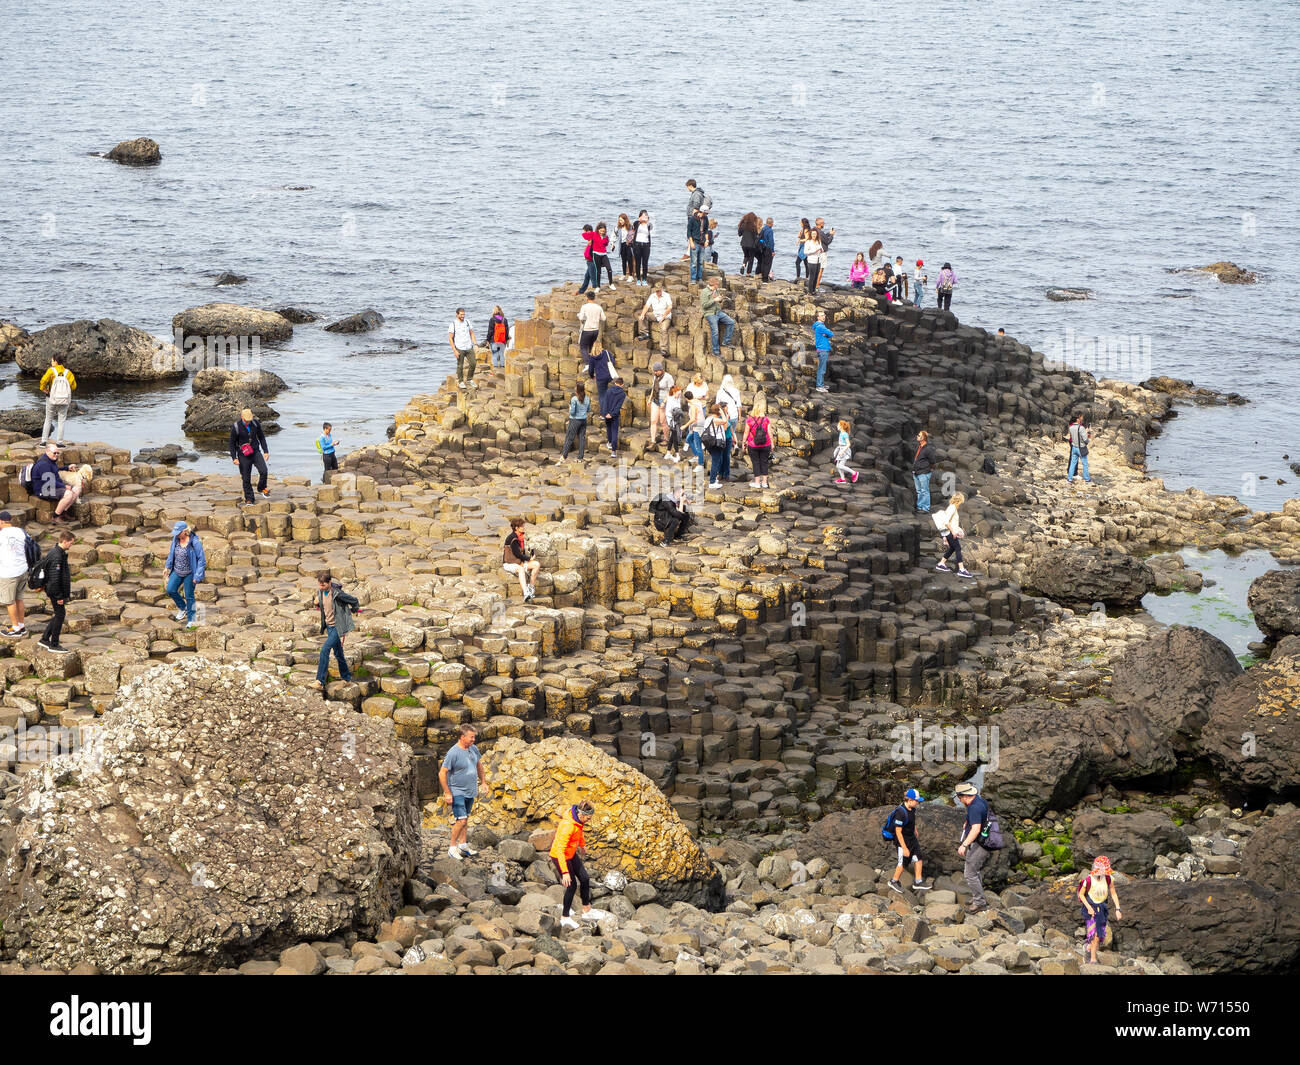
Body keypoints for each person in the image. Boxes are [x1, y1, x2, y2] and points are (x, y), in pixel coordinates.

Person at [441, 724, 488, 862]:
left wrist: (484, 782)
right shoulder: (453, 753)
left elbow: (479, 766)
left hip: (470, 791)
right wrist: (447, 792)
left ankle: (463, 845)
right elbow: (442, 773)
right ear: (462, 737)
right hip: (457, 791)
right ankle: (452, 847)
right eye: (471, 737)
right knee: (461, 820)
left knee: (465, 818)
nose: (474, 740)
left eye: (474, 737)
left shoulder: (473, 748)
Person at [549, 800, 596, 926]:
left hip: (570, 853)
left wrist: (582, 845)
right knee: (572, 885)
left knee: (585, 878)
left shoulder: (578, 821)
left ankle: (586, 909)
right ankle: (565, 917)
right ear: (581, 815)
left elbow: (579, 832)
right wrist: (565, 872)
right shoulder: (568, 826)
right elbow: (560, 850)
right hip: (560, 856)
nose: (589, 820)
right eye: (588, 818)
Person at [314, 568, 359, 688]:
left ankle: (320, 681)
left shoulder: (337, 594)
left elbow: (354, 600)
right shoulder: (320, 592)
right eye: (320, 584)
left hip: (337, 627)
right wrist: (317, 603)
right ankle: (346, 678)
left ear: (329, 583)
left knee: (324, 650)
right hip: (329, 627)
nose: (322, 587)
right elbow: (322, 605)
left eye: (324, 585)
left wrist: (354, 610)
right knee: (338, 653)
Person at [35, 529, 74, 651]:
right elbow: (55, 578)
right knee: (60, 615)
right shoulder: (57, 556)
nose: (71, 545)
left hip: (53, 590)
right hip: (55, 591)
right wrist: (59, 597)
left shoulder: (57, 552)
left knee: (58, 614)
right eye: (71, 543)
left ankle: (45, 639)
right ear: (65, 541)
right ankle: (54, 644)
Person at [1077, 857, 1122, 964]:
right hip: (1090, 907)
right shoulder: (1088, 880)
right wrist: (1089, 908)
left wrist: (1118, 909)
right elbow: (1081, 895)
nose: (1104, 873)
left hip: (1102, 908)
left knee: (1100, 934)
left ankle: (1088, 948)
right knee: (1095, 935)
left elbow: (1113, 893)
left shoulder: (1108, 879)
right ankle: (1093, 959)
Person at [887, 788, 932, 894]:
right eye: (916, 801)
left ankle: (918, 881)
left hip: (912, 838)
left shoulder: (912, 809)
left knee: (919, 857)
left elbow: (912, 820)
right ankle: (894, 881)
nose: (918, 803)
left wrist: (915, 829)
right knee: (903, 862)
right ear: (910, 800)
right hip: (903, 841)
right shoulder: (900, 812)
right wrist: (904, 848)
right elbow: (898, 832)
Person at [955, 781, 991, 913]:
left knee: (969, 873)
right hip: (984, 839)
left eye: (959, 798)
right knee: (974, 871)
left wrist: (964, 845)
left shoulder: (974, 808)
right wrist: (968, 820)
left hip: (981, 843)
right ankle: (978, 897)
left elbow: (976, 829)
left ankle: (980, 903)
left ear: (964, 796)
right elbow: (982, 818)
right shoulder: (979, 800)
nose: (959, 800)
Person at [164, 520, 207, 629]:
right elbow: (171, 554)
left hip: (190, 573)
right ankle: (183, 608)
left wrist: (197, 576)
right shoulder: (175, 539)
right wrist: (167, 567)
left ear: (185, 531)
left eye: (178, 532)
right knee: (170, 589)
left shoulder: (194, 542)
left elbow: (202, 560)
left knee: (189, 596)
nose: (176, 535)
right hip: (177, 571)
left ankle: (191, 620)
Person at [229, 408, 270, 504]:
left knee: (264, 471)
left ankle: (261, 488)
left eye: (249, 420)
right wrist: (234, 458)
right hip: (243, 455)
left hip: (255, 452)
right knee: (246, 478)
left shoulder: (255, 423)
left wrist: (266, 451)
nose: (248, 421)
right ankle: (249, 498)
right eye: (246, 420)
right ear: (242, 417)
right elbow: (231, 443)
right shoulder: (236, 427)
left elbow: (261, 437)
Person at [0, 512, 30, 638]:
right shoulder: (21, 532)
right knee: (19, 598)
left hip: (8, 572)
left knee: (9, 601)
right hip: (23, 569)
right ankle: (21, 625)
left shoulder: (1, 535)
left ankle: (15, 628)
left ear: (1, 521)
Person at [934, 492, 973, 577]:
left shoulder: (952, 508)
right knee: (958, 548)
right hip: (950, 533)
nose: (961, 503)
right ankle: (961, 570)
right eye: (961, 501)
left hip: (949, 532)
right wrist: (953, 532)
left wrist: (957, 530)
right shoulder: (952, 508)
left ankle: (941, 564)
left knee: (952, 548)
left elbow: (951, 522)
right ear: (958, 500)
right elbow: (946, 522)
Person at [40, 355, 76, 447]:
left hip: (51, 398)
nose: (51, 363)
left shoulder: (51, 371)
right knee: (61, 421)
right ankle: (59, 443)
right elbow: (74, 386)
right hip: (64, 399)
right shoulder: (68, 373)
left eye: (52, 361)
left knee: (48, 419)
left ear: (56, 361)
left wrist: (44, 389)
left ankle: (43, 442)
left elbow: (43, 381)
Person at [503, 516, 541, 601]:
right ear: (516, 528)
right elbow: (517, 554)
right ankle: (525, 593)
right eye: (522, 526)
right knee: (521, 569)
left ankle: (531, 587)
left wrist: (527, 559)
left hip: (519, 561)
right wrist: (529, 559)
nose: (524, 528)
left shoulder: (520, 537)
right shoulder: (512, 538)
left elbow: (521, 553)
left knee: (536, 564)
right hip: (509, 563)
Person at [744, 392, 773, 489]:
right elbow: (770, 433)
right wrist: (772, 444)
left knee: (756, 463)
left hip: (753, 445)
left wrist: (744, 443)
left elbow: (746, 433)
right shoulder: (766, 420)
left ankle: (757, 482)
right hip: (766, 444)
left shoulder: (749, 420)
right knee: (764, 462)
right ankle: (764, 482)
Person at [701, 277, 736, 356]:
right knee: (715, 331)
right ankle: (715, 351)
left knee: (731, 322)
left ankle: (726, 341)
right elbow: (704, 305)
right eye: (717, 284)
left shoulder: (715, 290)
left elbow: (717, 300)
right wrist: (714, 300)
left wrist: (720, 299)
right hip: (710, 313)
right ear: (714, 285)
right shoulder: (704, 292)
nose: (718, 285)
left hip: (718, 312)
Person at [558, 381, 591, 462]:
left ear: (577, 389)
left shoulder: (574, 399)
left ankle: (563, 457)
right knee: (582, 438)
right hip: (583, 420)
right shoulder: (587, 398)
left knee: (569, 438)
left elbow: (572, 412)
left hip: (575, 420)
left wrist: (570, 408)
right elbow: (588, 409)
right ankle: (580, 457)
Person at [638, 282, 673, 355]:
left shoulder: (667, 296)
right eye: (656, 291)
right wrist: (642, 314)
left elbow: (670, 307)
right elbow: (647, 306)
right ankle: (645, 333)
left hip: (665, 317)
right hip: (655, 314)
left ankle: (664, 349)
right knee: (643, 317)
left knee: (663, 329)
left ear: (662, 289)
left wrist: (663, 317)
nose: (657, 292)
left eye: (659, 291)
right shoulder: (652, 296)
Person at [448, 307, 479, 389]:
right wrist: (454, 350)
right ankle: (461, 381)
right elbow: (450, 338)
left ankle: (469, 379)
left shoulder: (467, 322)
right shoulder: (453, 324)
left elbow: (472, 333)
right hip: (459, 347)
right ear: (457, 314)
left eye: (464, 314)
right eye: (461, 314)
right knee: (460, 366)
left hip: (469, 346)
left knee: (473, 363)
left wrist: (475, 344)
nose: (463, 316)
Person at [647, 362, 674, 451]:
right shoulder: (655, 377)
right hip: (655, 400)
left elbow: (671, 391)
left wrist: (664, 402)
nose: (655, 373)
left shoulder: (668, 377)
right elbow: (653, 388)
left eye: (657, 371)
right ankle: (653, 440)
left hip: (664, 401)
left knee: (663, 421)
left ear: (661, 370)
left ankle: (666, 438)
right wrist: (650, 399)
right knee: (653, 420)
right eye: (654, 371)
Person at [703, 404, 730, 487]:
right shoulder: (714, 419)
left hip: (711, 443)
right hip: (715, 444)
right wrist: (723, 413)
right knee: (715, 462)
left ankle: (713, 479)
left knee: (716, 461)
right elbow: (725, 421)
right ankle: (712, 482)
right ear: (718, 411)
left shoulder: (709, 418)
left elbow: (724, 428)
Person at [716, 373, 742, 457]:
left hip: (724, 415)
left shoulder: (720, 391)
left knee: (722, 431)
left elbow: (717, 404)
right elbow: (739, 405)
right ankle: (735, 446)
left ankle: (724, 448)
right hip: (734, 415)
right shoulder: (736, 391)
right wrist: (739, 416)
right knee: (732, 431)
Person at [583, 345, 617, 409]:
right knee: (606, 391)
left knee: (602, 396)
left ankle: (603, 414)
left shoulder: (592, 357)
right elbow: (613, 362)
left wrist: (592, 376)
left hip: (600, 378)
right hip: (609, 376)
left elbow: (590, 370)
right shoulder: (606, 352)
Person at [601, 374, 627, 455]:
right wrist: (612, 414)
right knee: (614, 431)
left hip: (607, 414)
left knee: (609, 429)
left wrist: (605, 413)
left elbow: (605, 403)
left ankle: (609, 443)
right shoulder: (622, 394)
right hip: (614, 415)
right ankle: (613, 451)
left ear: (615, 383)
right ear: (622, 385)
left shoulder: (608, 390)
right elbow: (618, 406)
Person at [577, 292, 605, 362]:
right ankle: (592, 362)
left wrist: (579, 315)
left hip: (586, 330)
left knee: (583, 347)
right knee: (591, 346)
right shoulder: (599, 307)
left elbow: (581, 318)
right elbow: (604, 318)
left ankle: (587, 363)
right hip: (595, 330)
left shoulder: (584, 307)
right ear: (594, 298)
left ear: (587, 298)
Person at [1066, 412, 1092, 486]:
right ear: (1078, 419)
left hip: (1074, 447)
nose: (1082, 419)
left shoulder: (1071, 427)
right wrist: (1088, 437)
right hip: (1081, 448)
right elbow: (1085, 440)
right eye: (1081, 417)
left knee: (1072, 463)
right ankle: (1087, 479)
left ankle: (1069, 479)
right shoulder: (1081, 428)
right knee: (1085, 464)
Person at [913, 430, 935, 513]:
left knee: (924, 491)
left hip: (924, 473)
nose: (917, 436)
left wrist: (928, 470)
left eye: (919, 435)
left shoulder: (928, 449)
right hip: (916, 472)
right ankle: (920, 506)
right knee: (919, 491)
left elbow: (932, 461)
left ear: (923, 438)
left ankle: (925, 508)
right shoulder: (919, 447)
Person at [684, 392, 707, 469]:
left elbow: (693, 419)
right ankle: (697, 455)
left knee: (698, 446)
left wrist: (685, 426)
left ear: (686, 399)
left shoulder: (693, 406)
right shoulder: (697, 401)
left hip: (698, 426)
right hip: (697, 425)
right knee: (689, 439)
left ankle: (700, 464)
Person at [631, 209, 653, 285]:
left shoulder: (649, 225)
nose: (644, 217)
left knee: (645, 263)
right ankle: (638, 279)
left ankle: (644, 279)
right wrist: (640, 219)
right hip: (637, 245)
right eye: (642, 215)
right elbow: (634, 226)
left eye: (645, 215)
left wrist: (646, 220)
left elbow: (651, 227)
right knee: (638, 263)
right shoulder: (637, 223)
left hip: (646, 244)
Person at [486, 306, 510, 374]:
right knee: (502, 354)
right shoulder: (504, 319)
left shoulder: (492, 319)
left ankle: (495, 370)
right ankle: (502, 369)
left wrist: (487, 339)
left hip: (494, 340)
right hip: (502, 340)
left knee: (495, 355)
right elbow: (506, 331)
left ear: (494, 311)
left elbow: (490, 331)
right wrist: (506, 339)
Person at [813, 311, 833, 392]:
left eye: (824, 315)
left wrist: (827, 334)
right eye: (821, 315)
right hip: (822, 350)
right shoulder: (820, 327)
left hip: (823, 349)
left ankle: (821, 384)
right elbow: (831, 334)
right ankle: (819, 386)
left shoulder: (820, 326)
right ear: (818, 317)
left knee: (822, 368)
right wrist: (827, 333)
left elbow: (829, 334)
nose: (823, 317)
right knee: (822, 369)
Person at [833, 419, 858, 484]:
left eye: (838, 425)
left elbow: (848, 444)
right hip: (841, 449)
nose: (837, 426)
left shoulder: (845, 434)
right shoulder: (841, 433)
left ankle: (854, 473)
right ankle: (842, 479)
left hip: (844, 451)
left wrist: (842, 452)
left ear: (841, 426)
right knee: (838, 465)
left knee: (840, 465)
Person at [664, 384, 684, 464]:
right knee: (675, 436)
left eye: (680, 393)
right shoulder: (670, 400)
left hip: (677, 419)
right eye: (678, 393)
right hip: (671, 420)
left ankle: (668, 453)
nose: (679, 395)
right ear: (674, 392)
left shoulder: (677, 398)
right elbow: (668, 412)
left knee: (672, 436)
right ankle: (677, 454)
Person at [592, 222, 616, 289]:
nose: (602, 232)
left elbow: (606, 244)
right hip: (596, 254)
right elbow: (586, 236)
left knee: (609, 269)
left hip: (604, 254)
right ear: (598, 229)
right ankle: (598, 286)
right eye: (601, 231)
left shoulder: (606, 237)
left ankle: (611, 284)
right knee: (598, 271)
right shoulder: (594, 235)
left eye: (604, 231)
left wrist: (612, 245)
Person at [687, 209, 708, 283]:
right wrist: (691, 242)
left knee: (700, 262)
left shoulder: (705, 219)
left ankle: (699, 278)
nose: (706, 215)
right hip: (695, 242)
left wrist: (707, 240)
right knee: (694, 262)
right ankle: (693, 279)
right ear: (701, 212)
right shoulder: (692, 219)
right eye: (706, 213)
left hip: (702, 243)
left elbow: (706, 230)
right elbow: (689, 232)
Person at [576, 223, 598, 294]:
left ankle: (596, 289)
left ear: (588, 231)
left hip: (592, 261)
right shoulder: (590, 239)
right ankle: (581, 291)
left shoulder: (593, 238)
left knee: (592, 277)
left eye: (584, 231)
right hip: (589, 260)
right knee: (587, 276)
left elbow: (584, 235)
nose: (583, 233)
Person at [802, 227, 824, 295]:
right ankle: (810, 291)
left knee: (816, 276)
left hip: (818, 260)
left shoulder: (818, 241)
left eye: (815, 234)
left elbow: (821, 249)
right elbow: (805, 252)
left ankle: (814, 290)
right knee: (812, 276)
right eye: (813, 234)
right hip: (811, 261)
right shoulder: (808, 242)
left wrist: (821, 250)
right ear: (811, 234)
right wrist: (815, 250)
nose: (814, 235)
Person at [616, 213, 635, 280]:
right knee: (623, 260)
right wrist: (612, 243)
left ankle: (630, 276)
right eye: (619, 220)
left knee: (629, 259)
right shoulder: (618, 228)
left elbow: (633, 234)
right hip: (622, 244)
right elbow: (615, 235)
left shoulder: (630, 226)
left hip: (629, 244)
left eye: (621, 220)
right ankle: (624, 274)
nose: (620, 222)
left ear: (625, 220)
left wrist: (630, 241)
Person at [758, 217, 775, 281]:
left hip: (763, 247)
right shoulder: (770, 230)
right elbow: (771, 242)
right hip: (768, 248)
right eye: (772, 223)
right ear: (771, 223)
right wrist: (772, 251)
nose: (773, 224)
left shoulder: (763, 228)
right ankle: (765, 279)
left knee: (763, 262)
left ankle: (763, 276)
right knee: (768, 264)